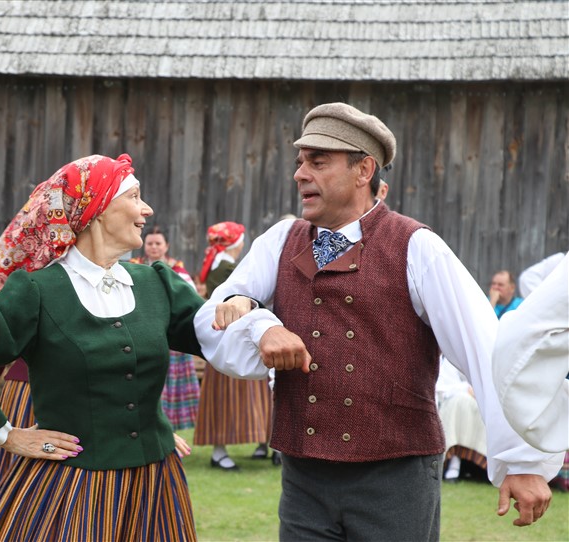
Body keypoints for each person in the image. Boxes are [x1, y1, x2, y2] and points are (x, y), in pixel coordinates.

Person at [194, 102, 560, 538]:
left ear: (363, 170)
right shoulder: (281, 241)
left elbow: (485, 349)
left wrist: (521, 461)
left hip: (396, 481)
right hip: (304, 480)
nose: (300, 174)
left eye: (318, 162)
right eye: (300, 162)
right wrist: (262, 326)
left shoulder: (417, 246)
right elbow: (215, 315)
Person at [0, 153, 205, 540]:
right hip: (74, 484)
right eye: (133, 196)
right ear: (97, 210)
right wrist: (6, 434)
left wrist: (251, 307)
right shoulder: (37, 290)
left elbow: (222, 336)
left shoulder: (156, 282)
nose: (147, 209)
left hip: (154, 484)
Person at [193, 221, 274, 470]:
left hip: (231, 337)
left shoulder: (216, 265)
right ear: (235, 244)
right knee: (228, 399)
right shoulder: (228, 268)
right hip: (232, 338)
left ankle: (264, 444)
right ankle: (223, 451)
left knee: (246, 398)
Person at [493, 253, 568, 453]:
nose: (496, 288)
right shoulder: (559, 262)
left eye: (501, 284)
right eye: (494, 284)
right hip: (519, 365)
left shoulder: (518, 305)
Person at [130, 226, 201, 431]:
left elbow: (189, 299)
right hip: (141, 334)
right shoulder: (133, 267)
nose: (153, 247)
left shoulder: (177, 271)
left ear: (166, 246)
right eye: (150, 243)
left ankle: (171, 428)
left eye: (158, 243)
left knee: (172, 386)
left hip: (172, 338)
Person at [436, 355, 488, 482]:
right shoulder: (449, 359)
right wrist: (467, 389)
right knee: (460, 403)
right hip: (452, 401)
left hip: (481, 402)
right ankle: (453, 465)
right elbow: (442, 388)